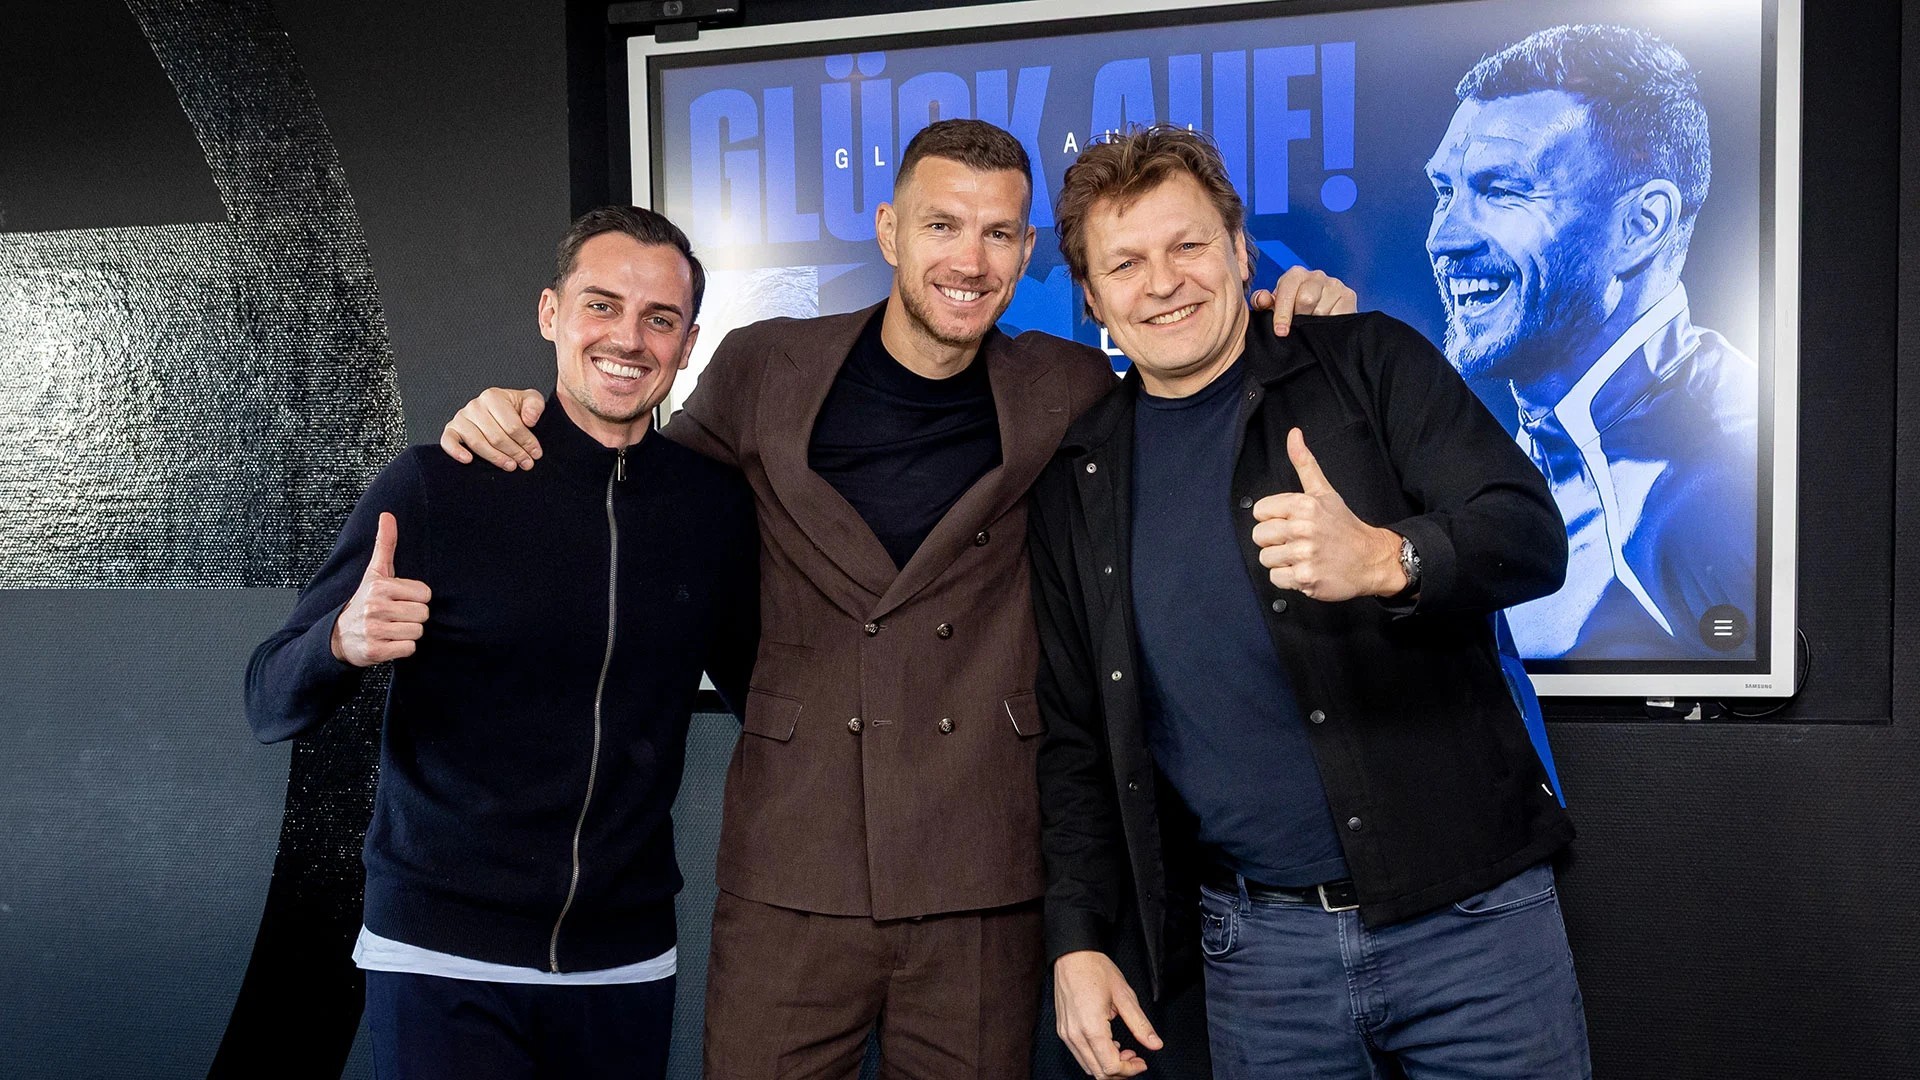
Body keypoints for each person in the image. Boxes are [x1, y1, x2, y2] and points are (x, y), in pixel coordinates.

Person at [439, 119, 1354, 1078]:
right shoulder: (764, 366)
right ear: (888, 231)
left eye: (998, 233)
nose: (970, 260)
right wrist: (521, 413)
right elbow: (639, 488)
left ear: (1028, 252)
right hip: (794, 852)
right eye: (942, 226)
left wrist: (1298, 319)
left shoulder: (1069, 383)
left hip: (982, 861)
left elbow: (1195, 378)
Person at [1029, 126, 1586, 1079]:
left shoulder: (1368, 361)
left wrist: (1388, 558)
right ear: (1091, 296)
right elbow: (1077, 737)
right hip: (1258, 957)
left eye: (1189, 245)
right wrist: (1077, 936)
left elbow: (1531, 532)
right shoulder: (1078, 479)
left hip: (1472, 924)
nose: (1163, 283)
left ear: (1241, 252)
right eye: (1125, 263)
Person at [244, 206, 759, 1080]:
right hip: (442, 956)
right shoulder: (439, 483)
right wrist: (338, 638)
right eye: (601, 305)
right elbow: (267, 697)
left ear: (688, 344)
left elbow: (773, 691)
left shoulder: (713, 510)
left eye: (659, 319)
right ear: (551, 313)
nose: (627, 339)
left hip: (623, 962)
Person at [1424, 23, 1759, 660]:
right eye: (1445, 192)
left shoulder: (1724, 484)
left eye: (1502, 190)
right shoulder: (1527, 445)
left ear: (1641, 225)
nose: (1444, 238)